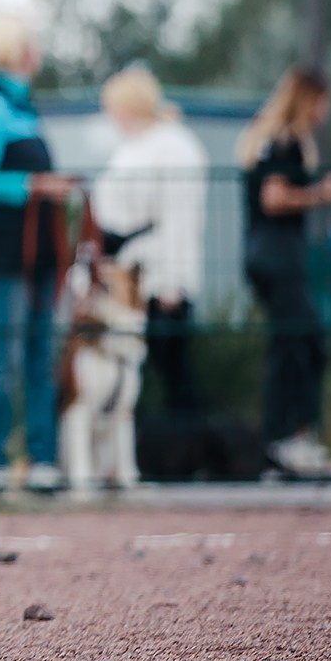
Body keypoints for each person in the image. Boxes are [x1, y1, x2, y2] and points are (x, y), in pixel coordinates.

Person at [0, 11, 76, 493]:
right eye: (32, 45)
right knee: (5, 357)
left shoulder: (23, 107)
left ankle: (43, 459)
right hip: (3, 255)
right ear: (16, 51)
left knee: (40, 355)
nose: (39, 54)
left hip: (39, 254)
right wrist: (35, 185)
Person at [238, 64, 331, 478]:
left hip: (265, 255)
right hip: (278, 255)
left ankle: (282, 439)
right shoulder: (284, 143)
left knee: (293, 343)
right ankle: (284, 440)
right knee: (301, 344)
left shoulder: (266, 140)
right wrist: (322, 194)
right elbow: (274, 197)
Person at [90, 63, 209, 415]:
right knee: (143, 366)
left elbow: (179, 218)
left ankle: (187, 448)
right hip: (127, 274)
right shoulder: (135, 146)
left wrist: (172, 282)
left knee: (171, 366)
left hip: (158, 276)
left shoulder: (173, 147)